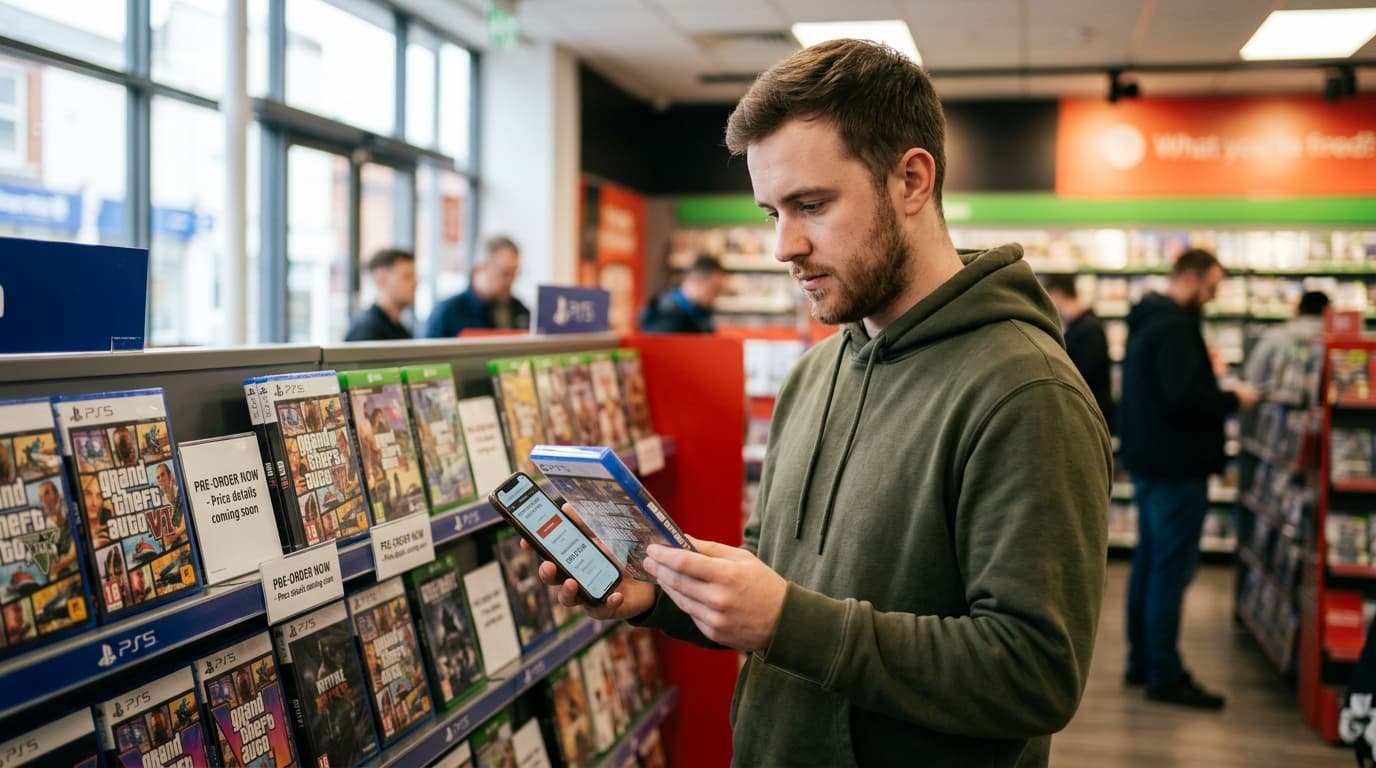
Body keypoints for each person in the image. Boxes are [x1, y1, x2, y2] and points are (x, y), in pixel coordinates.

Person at [533, 39, 1111, 767]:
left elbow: (1034, 675)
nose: (784, 245)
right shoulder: (816, 374)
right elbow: (784, 580)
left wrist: (785, 621)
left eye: (811, 205)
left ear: (911, 180)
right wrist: (657, 597)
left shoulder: (1027, 393)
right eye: (772, 210)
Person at [1119, 248, 1261, 710]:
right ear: (1192, 278)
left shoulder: (1147, 320)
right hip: (1177, 467)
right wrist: (1230, 399)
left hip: (1150, 462)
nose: (1213, 296)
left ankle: (1142, 660)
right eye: (1212, 287)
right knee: (1169, 569)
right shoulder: (1176, 326)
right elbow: (1184, 398)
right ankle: (1164, 671)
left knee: (1149, 561)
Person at [1042, 273, 1114, 432]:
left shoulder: (1089, 330)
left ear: (1057, 294)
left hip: (1090, 418)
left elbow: (1080, 375)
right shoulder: (1080, 327)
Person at [425, 236, 530, 337]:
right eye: (505, 273)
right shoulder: (447, 313)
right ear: (480, 269)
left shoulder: (520, 311)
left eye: (515, 274)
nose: (511, 281)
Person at [1242, 290, 1330, 389]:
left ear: (1299, 310)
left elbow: (1253, 375)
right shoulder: (1335, 340)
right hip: (1325, 403)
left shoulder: (1275, 335)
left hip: (1275, 401)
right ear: (1329, 312)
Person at [638, 256, 725, 333]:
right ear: (696, 280)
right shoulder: (666, 316)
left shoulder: (699, 314)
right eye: (715, 288)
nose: (716, 295)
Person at [345, 249, 416, 341]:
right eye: (407, 276)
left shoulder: (398, 328)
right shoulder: (366, 331)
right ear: (381, 280)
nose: (415, 283)